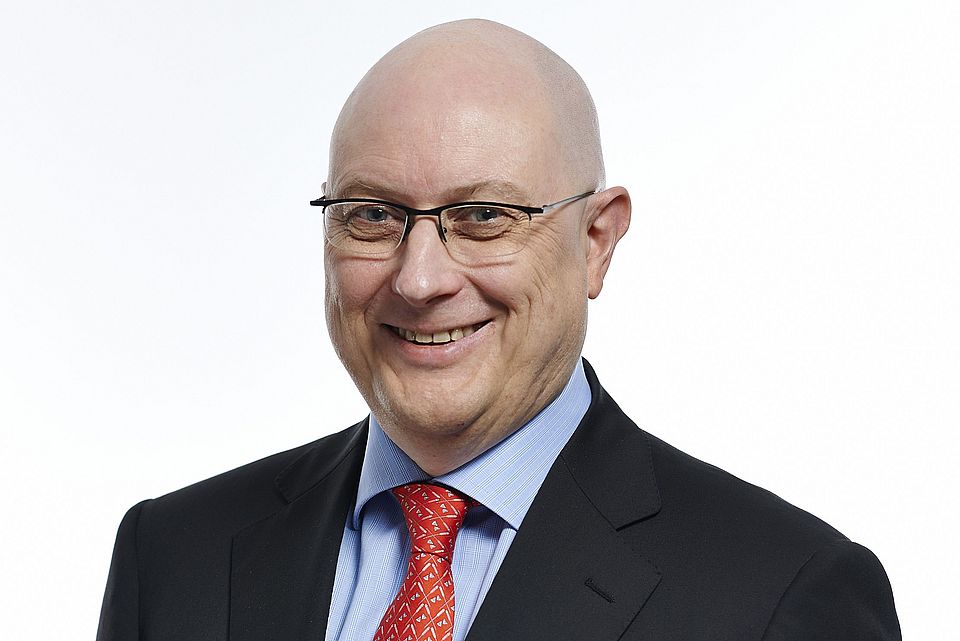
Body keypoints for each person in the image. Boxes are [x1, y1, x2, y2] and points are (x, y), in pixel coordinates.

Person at [97, 19, 901, 641]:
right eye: (371, 214)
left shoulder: (782, 595)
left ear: (597, 241)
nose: (419, 280)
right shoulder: (171, 556)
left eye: (484, 216)